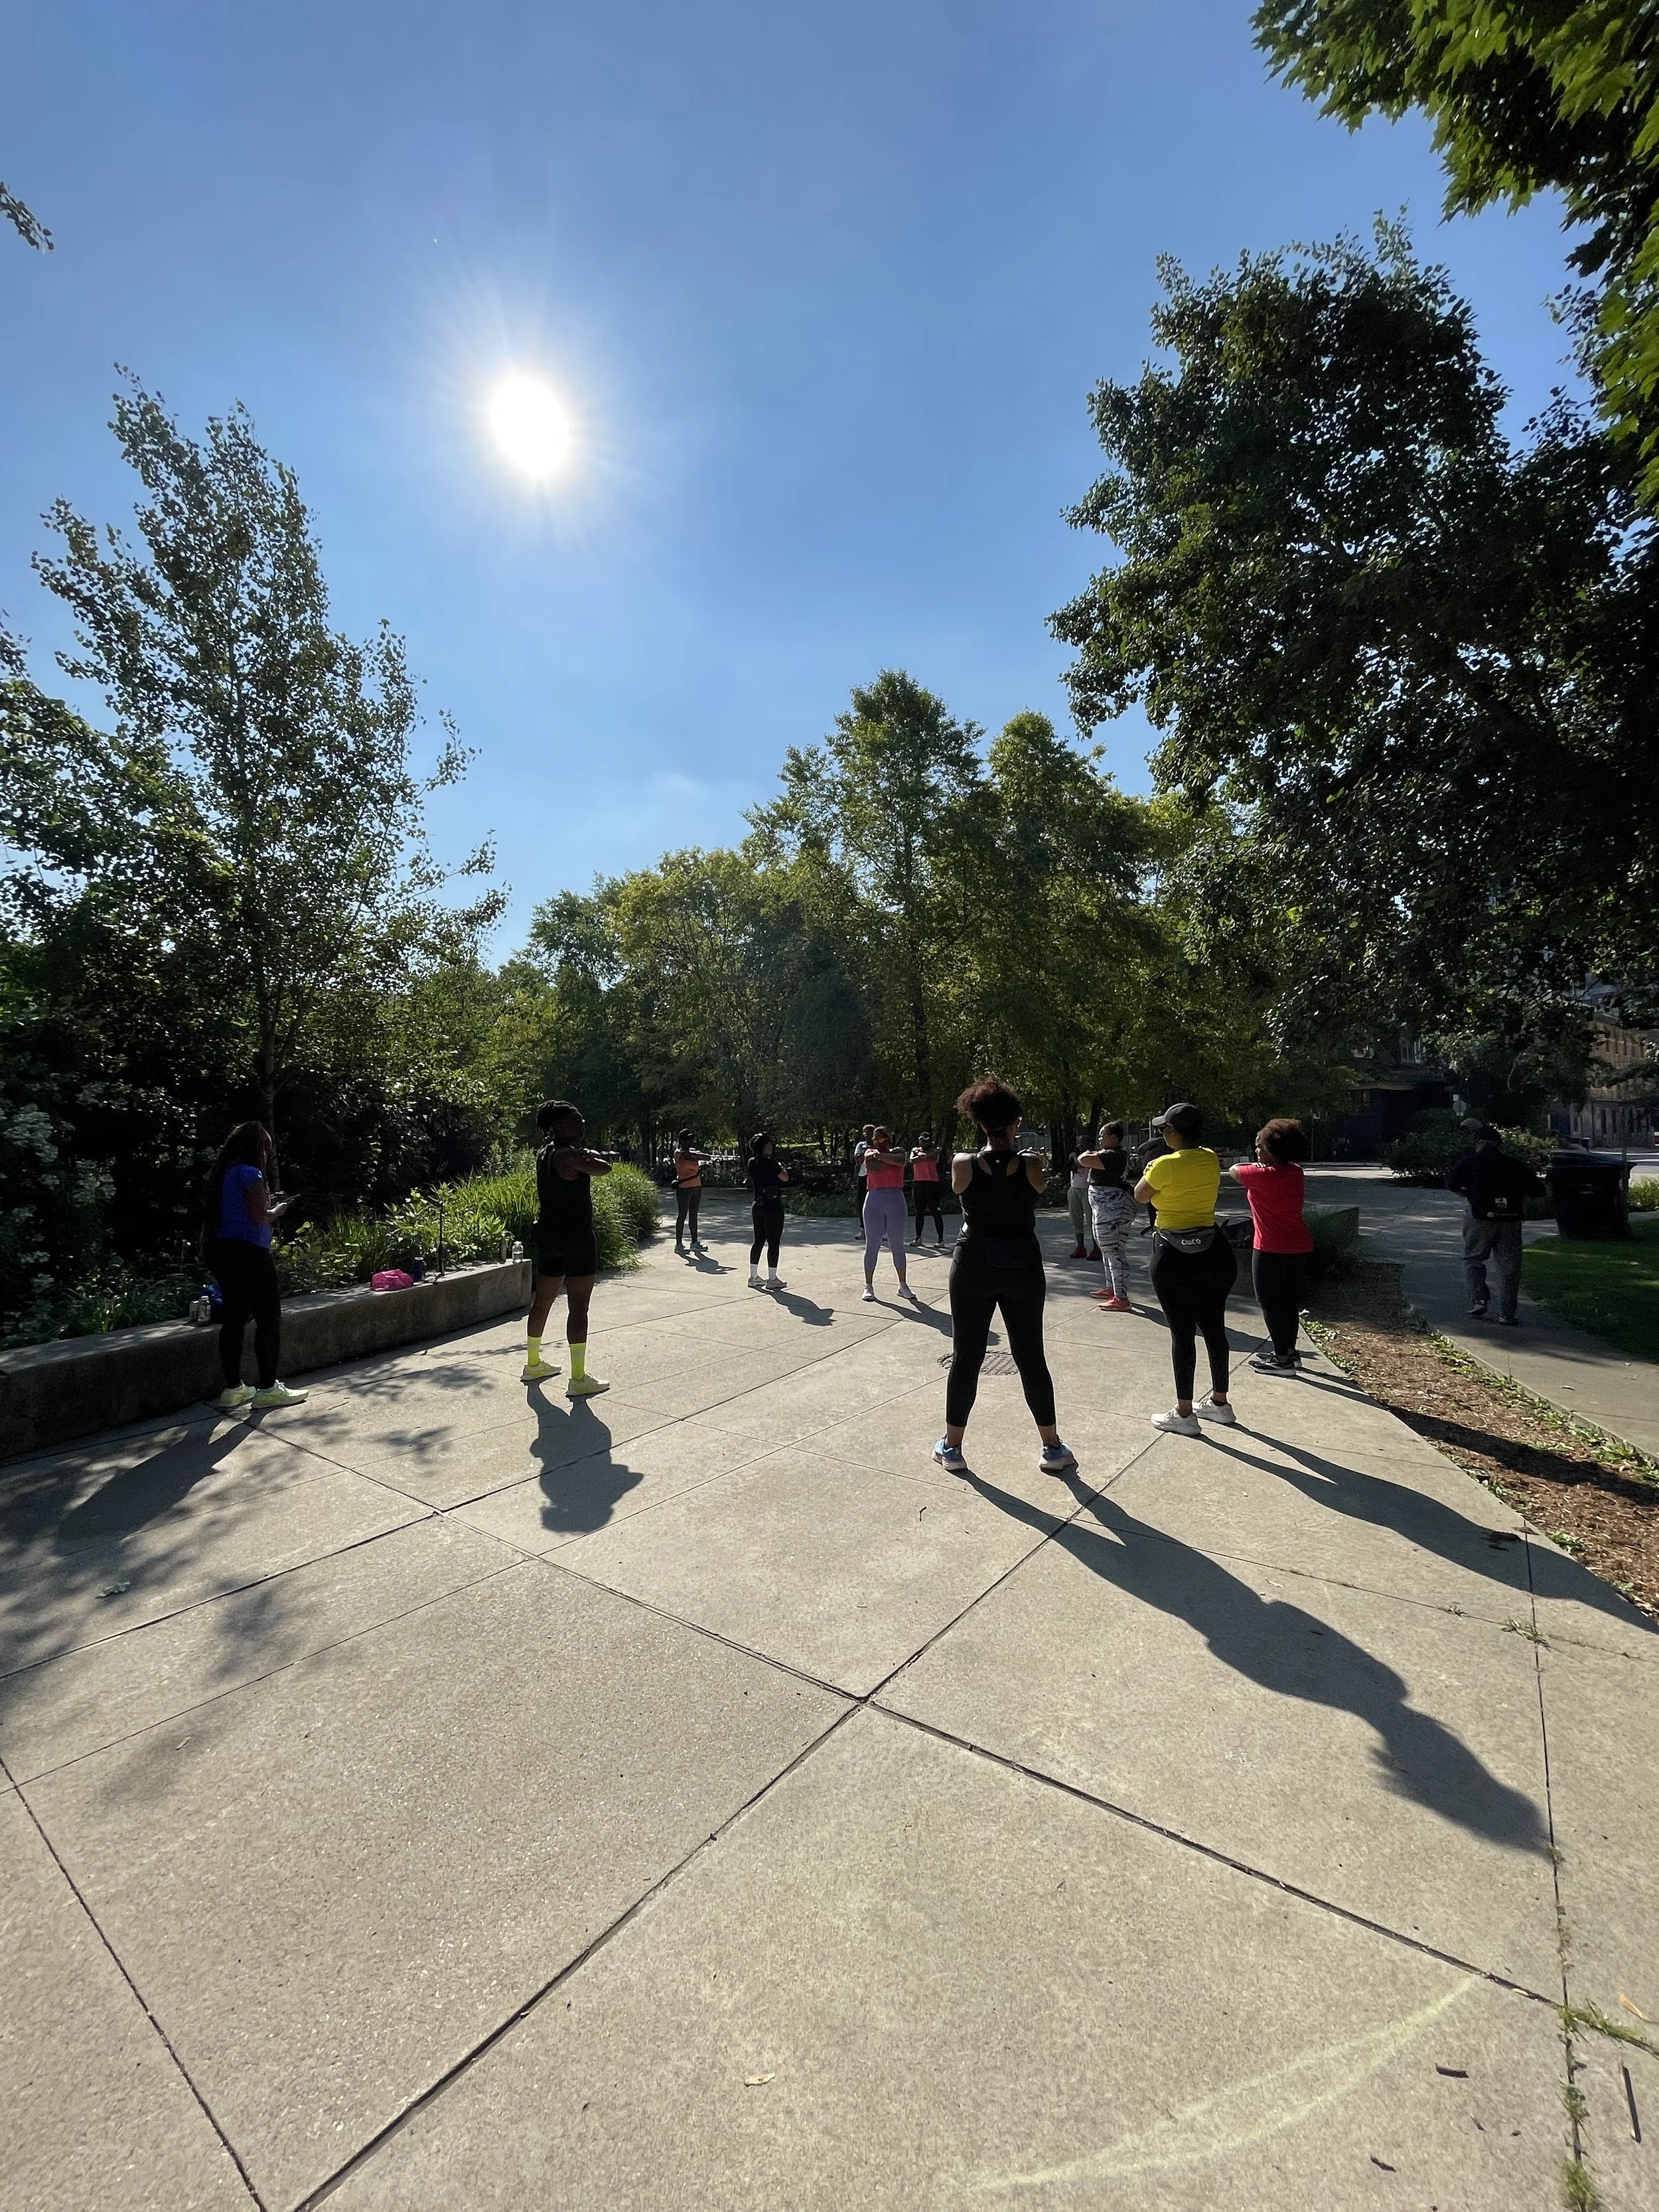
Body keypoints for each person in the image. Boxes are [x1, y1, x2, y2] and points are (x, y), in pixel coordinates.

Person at [931, 1077, 1076, 1477]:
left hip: (974, 1261)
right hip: (1022, 1264)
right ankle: (1052, 1446)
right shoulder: (1032, 1164)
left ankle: (953, 1447)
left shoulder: (962, 1164)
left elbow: (965, 1187)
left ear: (979, 1123)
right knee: (1030, 1354)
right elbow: (1036, 1187)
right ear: (1016, 1122)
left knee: (967, 1357)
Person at [1135, 1101, 1237, 1436]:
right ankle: (1220, 1404)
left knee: (1182, 1333)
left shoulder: (1163, 1164)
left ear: (1175, 1133)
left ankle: (1184, 1414)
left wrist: (1151, 1170)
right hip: (1213, 1250)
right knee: (1215, 1328)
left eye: (1164, 1128)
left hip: (1173, 1254)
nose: (1162, 1133)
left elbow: (1141, 1196)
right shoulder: (1210, 1158)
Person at [203, 1122, 308, 1410]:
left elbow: (237, 1210)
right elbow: (260, 1217)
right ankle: (267, 1389)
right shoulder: (251, 1173)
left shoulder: (223, 1174)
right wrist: (280, 1209)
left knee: (235, 1318)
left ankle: (233, 1389)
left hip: (222, 1251)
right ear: (257, 1147)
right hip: (249, 1252)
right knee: (269, 1317)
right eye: (267, 1147)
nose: (268, 1154)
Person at [525, 1098, 613, 1396]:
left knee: (543, 1302)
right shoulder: (568, 1156)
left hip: (549, 1237)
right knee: (579, 1307)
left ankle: (533, 1363)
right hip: (576, 1239)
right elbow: (604, 1167)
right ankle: (578, 1379)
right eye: (575, 1122)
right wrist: (587, 1154)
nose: (581, 1126)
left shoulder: (545, 1153)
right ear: (558, 1127)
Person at [1229, 1117, 1314, 1372]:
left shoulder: (1260, 1175)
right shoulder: (1295, 1172)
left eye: (1260, 1146)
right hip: (1300, 1246)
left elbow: (1234, 1170)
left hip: (1271, 1249)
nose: (1257, 1151)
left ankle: (1282, 1359)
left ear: (1272, 1150)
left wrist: (1258, 1163)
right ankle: (1289, 1351)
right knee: (1287, 1301)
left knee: (1269, 1303)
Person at [1445, 1126, 1534, 1326]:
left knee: (1474, 1258)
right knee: (1509, 1266)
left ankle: (1479, 1300)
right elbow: (1537, 1189)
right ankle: (1507, 1313)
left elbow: (1451, 1183)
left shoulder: (1470, 1162)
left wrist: (1469, 1195)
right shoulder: (1513, 1164)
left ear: (1479, 1143)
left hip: (1479, 1217)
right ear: (1499, 1145)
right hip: (1510, 1219)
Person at [1076, 1121, 1135, 1309]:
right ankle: (1112, 1289)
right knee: (1107, 1250)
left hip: (1112, 1209)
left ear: (1114, 1138)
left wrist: (1087, 1153)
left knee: (1114, 1251)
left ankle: (1121, 1297)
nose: (1100, 1139)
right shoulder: (1110, 1155)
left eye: (1103, 1135)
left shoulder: (1112, 1155)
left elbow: (1083, 1160)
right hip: (1106, 1209)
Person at [861, 1127, 920, 1304]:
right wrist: (885, 1158)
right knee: (872, 1245)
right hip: (874, 1199)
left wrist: (883, 1157)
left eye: (881, 1138)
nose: (877, 1142)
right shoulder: (869, 1153)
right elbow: (875, 1167)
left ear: (889, 1139)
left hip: (895, 1200)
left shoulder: (899, 1151)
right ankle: (868, 1285)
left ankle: (903, 1285)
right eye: (875, 1139)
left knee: (897, 1244)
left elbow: (901, 1161)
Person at [746, 1131, 790, 1290]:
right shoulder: (772, 1164)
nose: (770, 1148)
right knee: (773, 1242)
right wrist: (781, 1168)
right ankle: (772, 1279)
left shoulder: (752, 1162)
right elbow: (785, 1177)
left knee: (758, 1240)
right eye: (768, 1146)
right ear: (763, 1149)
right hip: (773, 1204)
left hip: (757, 1205)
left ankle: (753, 1276)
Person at [1131, 1116, 1171, 1235]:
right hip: (1151, 1178)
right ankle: (1154, 1226)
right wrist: (1158, 1141)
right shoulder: (1155, 1142)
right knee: (1151, 1204)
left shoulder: (1170, 1143)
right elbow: (1141, 1150)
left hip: (1165, 1177)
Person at [672, 1129, 707, 1255]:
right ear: (681, 1141)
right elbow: (692, 1157)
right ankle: (679, 1244)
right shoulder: (679, 1153)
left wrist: (696, 1155)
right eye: (687, 1139)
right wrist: (696, 1156)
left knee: (694, 1215)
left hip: (697, 1187)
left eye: (691, 1139)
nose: (690, 1142)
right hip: (684, 1188)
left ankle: (694, 1242)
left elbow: (706, 1157)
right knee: (682, 1215)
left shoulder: (692, 1152)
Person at [909, 1132, 946, 1247]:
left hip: (932, 1184)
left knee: (935, 1211)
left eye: (926, 1141)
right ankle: (918, 1237)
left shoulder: (935, 1151)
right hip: (919, 1183)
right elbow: (912, 1160)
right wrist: (923, 1156)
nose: (924, 1143)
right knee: (919, 1212)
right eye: (922, 1140)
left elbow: (933, 1157)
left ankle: (940, 1239)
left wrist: (920, 1156)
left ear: (930, 1141)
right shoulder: (914, 1149)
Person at [1064, 1150, 1100, 1262]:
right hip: (1074, 1189)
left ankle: (1097, 1249)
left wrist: (1076, 1157)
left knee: (1091, 1220)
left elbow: (1083, 1164)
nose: (1081, 1144)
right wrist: (1072, 1158)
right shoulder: (1075, 1156)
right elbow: (1068, 1167)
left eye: (1083, 1142)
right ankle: (1080, 1247)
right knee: (1076, 1219)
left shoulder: (1090, 1156)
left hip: (1087, 1189)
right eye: (1079, 1141)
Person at [853, 1122, 876, 1238]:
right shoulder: (860, 1145)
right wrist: (869, 1151)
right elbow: (858, 1158)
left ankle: (880, 1230)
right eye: (866, 1134)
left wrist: (871, 1150)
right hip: (863, 1176)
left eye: (871, 1134)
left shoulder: (879, 1145)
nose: (868, 1136)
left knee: (877, 1203)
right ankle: (863, 1229)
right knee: (862, 1203)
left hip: (876, 1177)